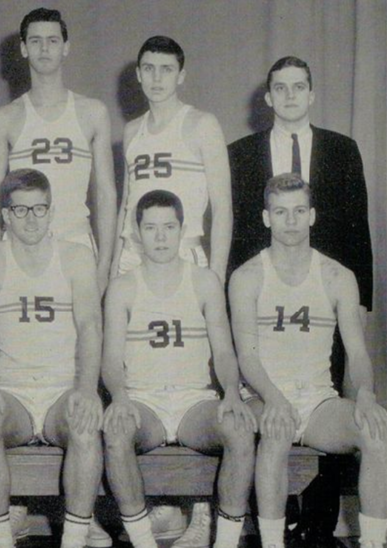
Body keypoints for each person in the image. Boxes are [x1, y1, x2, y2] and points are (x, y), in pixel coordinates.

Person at [228, 65, 372, 542]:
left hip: (323, 295)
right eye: (280, 88)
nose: (290, 95)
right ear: (268, 97)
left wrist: (355, 303)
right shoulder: (242, 154)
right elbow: (236, 232)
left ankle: (322, 525)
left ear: (311, 94)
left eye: (298, 87)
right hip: (267, 299)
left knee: (350, 419)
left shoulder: (340, 149)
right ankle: (271, 528)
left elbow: (356, 224)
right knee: (273, 423)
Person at [102, 190, 255, 548]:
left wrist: (232, 392)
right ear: (137, 232)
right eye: (151, 228)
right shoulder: (123, 287)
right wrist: (120, 397)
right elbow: (110, 359)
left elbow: (224, 352)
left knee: (239, 428)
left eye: (169, 227)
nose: (160, 237)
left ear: (182, 229)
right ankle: (143, 542)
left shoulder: (204, 281)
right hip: (145, 402)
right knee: (116, 431)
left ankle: (227, 543)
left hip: (193, 403)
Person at [0, 169, 104, 548]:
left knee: (85, 424)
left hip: (62, 387)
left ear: (52, 211)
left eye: (39, 209)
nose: (31, 219)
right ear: (5, 215)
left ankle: (74, 540)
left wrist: (87, 390)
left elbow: (91, 327)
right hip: (13, 389)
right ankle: (0, 540)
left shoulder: (76, 257)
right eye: (21, 210)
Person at [0, 8, 117, 292]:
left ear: (66, 47)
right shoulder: (5, 118)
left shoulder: (92, 113)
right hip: (20, 247)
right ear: (23, 48)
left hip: (76, 244)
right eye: (35, 41)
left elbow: (105, 194)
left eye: (53, 40)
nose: (44, 48)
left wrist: (105, 264)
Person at [112, 36, 231, 284]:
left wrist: (217, 278)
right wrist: (114, 269)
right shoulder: (132, 130)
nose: (156, 79)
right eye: (149, 69)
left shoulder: (202, 124)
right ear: (138, 74)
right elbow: (126, 205)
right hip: (133, 258)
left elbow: (222, 208)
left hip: (183, 255)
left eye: (166, 70)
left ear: (180, 76)